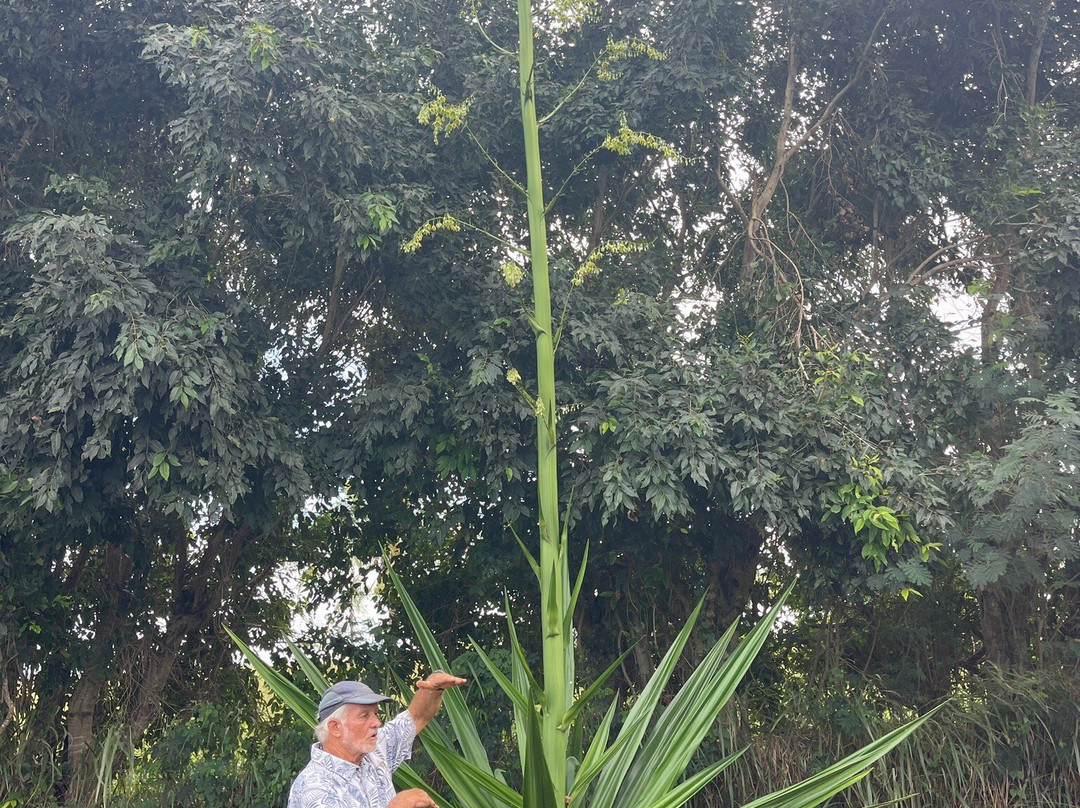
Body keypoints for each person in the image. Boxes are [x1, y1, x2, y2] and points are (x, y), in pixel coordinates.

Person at [288, 671, 467, 808]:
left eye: (375, 713)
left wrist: (434, 688)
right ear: (335, 727)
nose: (376, 722)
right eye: (364, 716)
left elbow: (416, 717)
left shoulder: (372, 751)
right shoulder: (314, 790)